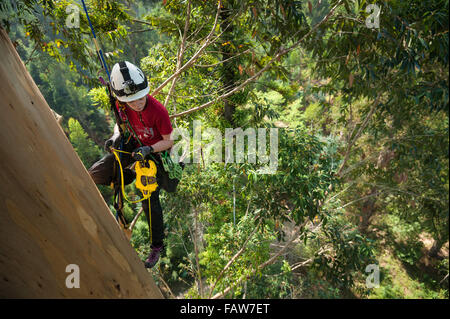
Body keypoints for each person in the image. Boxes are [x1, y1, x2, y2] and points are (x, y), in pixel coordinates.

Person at [88, 61, 176, 268]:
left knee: (148, 198)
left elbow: (169, 141)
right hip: (133, 147)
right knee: (96, 173)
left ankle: (157, 246)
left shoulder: (158, 111)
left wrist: (149, 149)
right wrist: (114, 138)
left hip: (154, 154)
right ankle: (122, 184)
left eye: (140, 97)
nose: (137, 103)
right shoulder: (121, 105)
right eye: (132, 100)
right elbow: (120, 128)